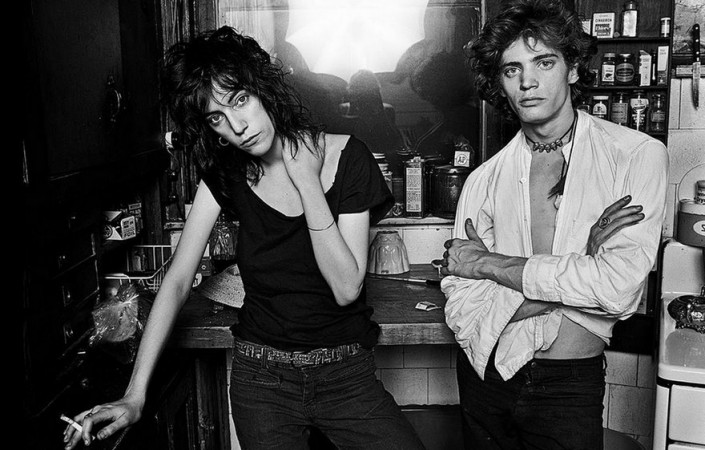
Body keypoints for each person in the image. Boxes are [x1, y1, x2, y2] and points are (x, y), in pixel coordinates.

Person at [64, 26, 425, 450]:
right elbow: (177, 280)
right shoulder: (226, 174)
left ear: (263, 89)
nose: (237, 126)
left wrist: (307, 181)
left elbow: (346, 288)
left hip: (346, 375)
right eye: (217, 118)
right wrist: (134, 395)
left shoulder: (349, 157)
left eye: (239, 100)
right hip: (262, 382)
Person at [436, 1, 668, 449]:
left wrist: (487, 264)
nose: (527, 81)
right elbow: (461, 301)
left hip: (568, 384)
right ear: (500, 83)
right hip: (486, 375)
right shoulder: (484, 179)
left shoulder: (635, 156)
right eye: (512, 70)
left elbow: (618, 289)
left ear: (572, 68)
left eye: (544, 62)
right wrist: (581, 265)